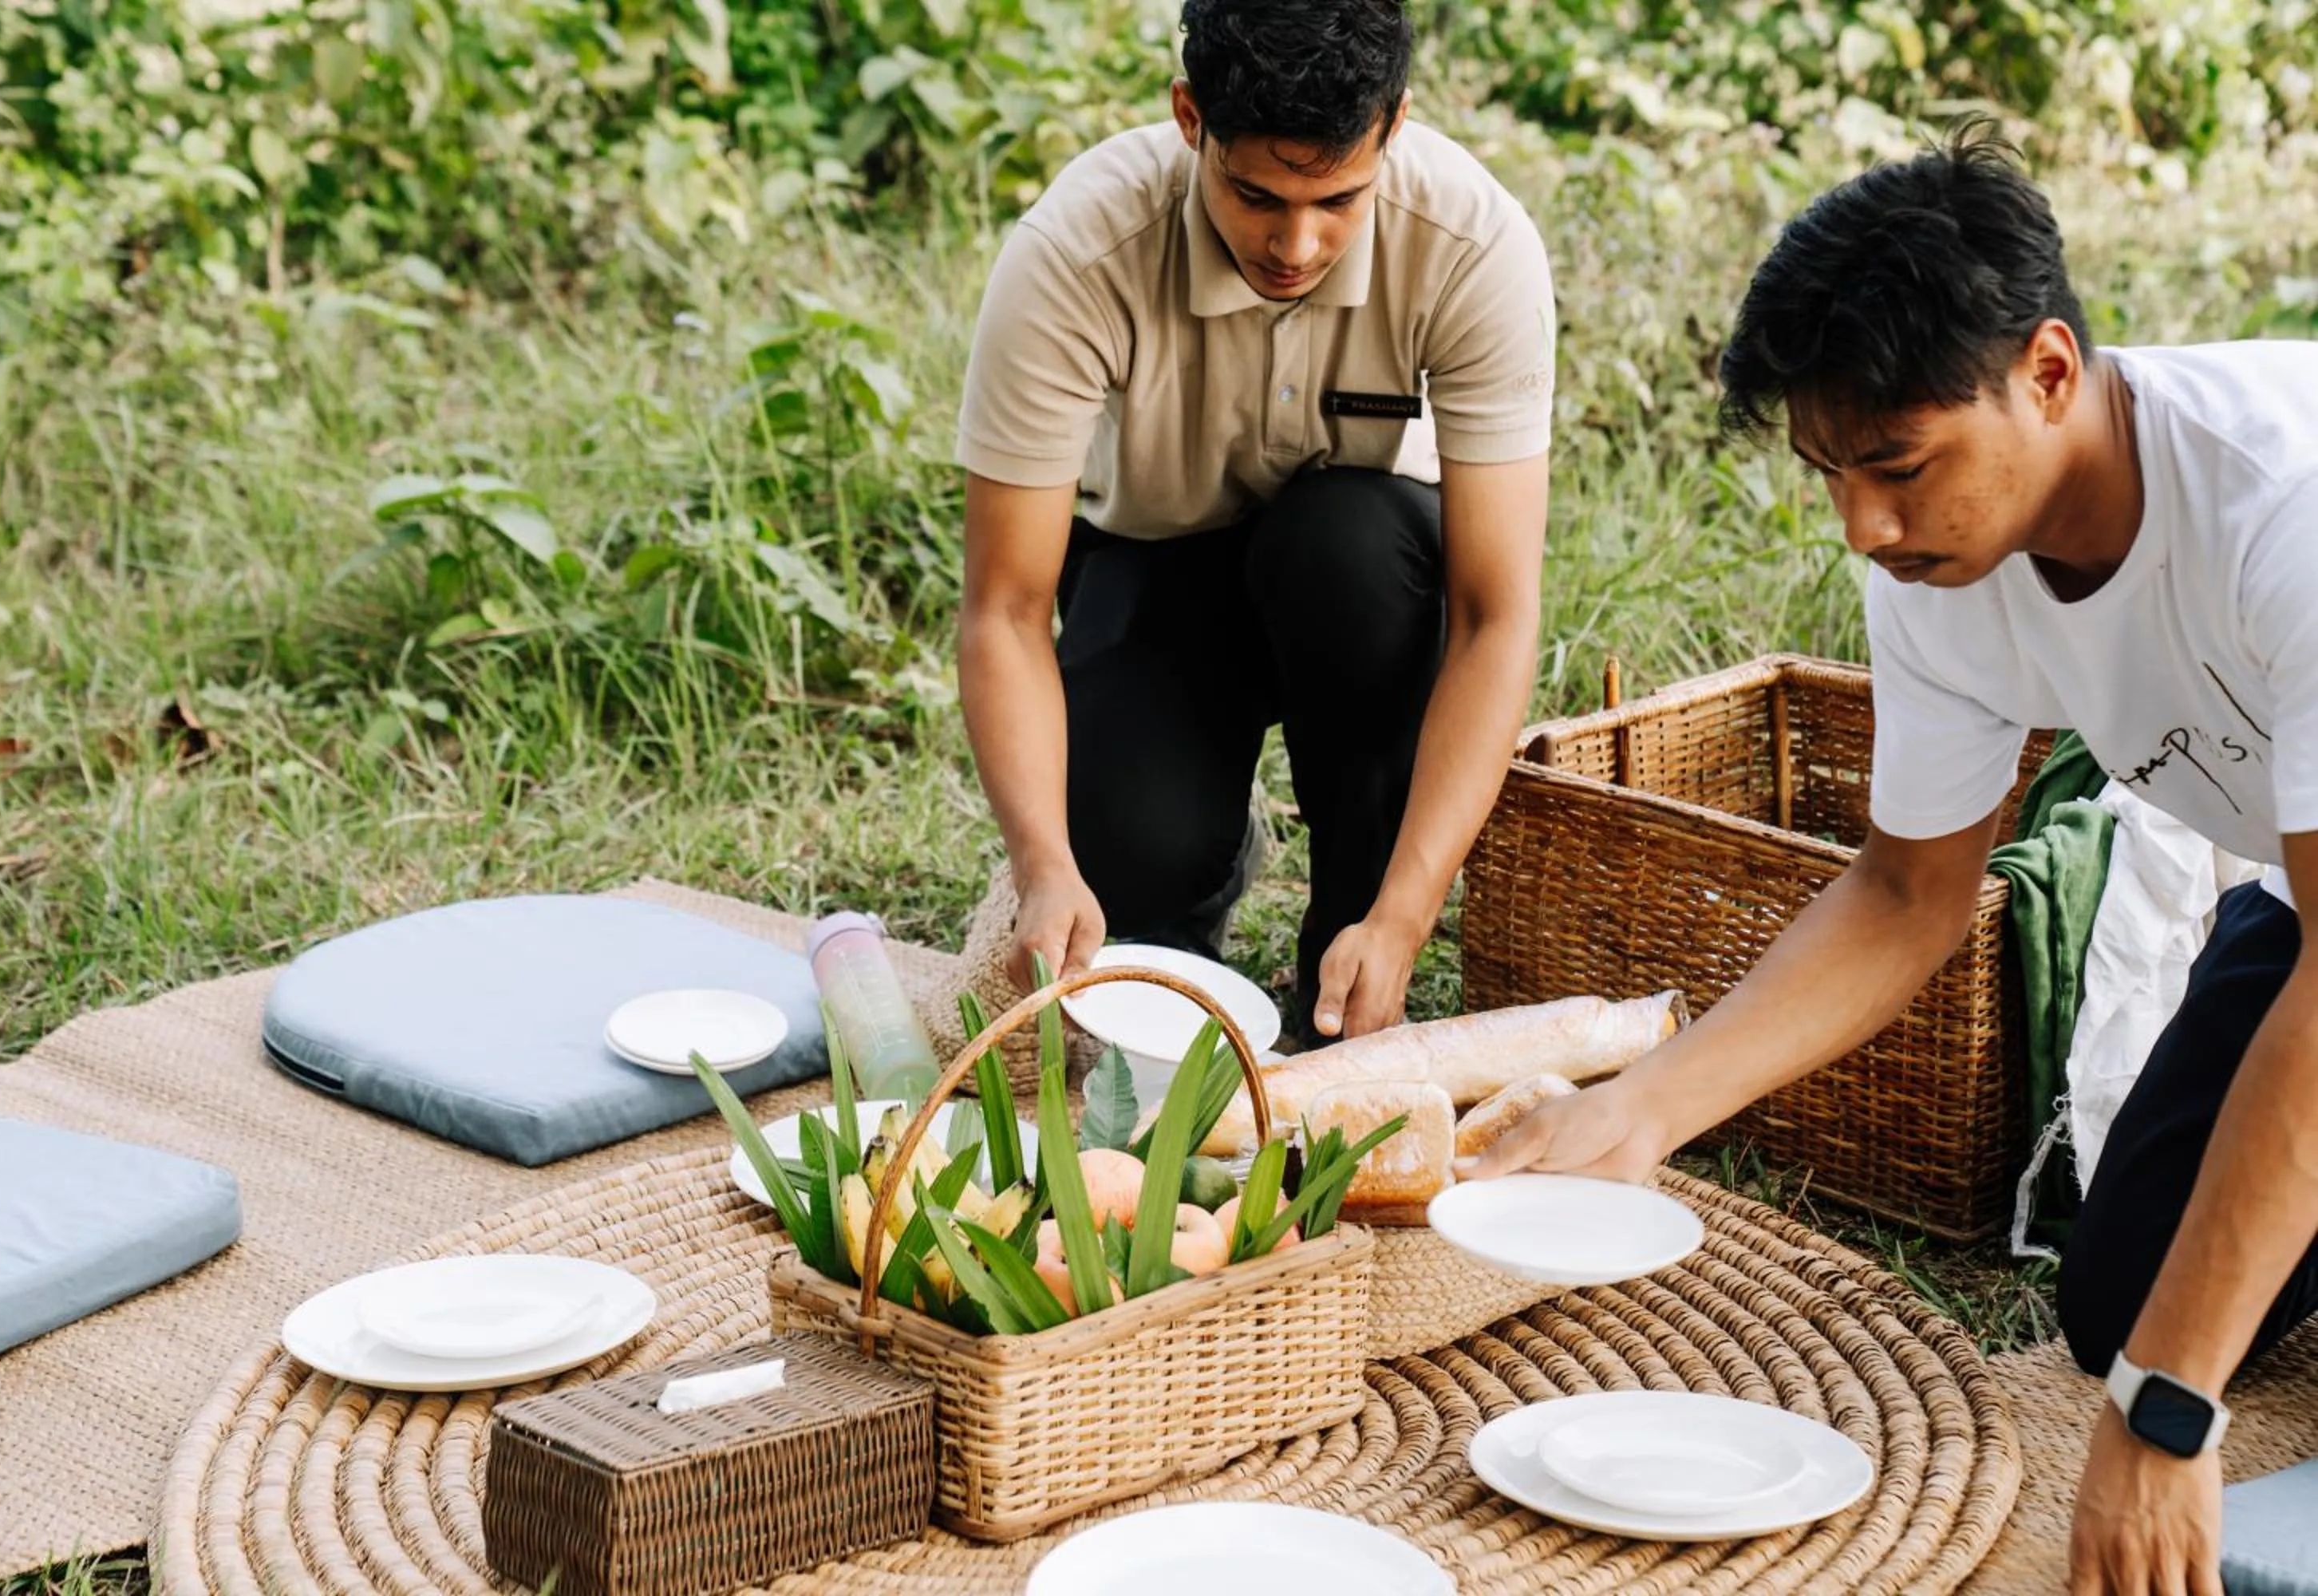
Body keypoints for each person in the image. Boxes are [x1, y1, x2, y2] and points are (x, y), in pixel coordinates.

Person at [1461, 118, 2318, 1593]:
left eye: (1899, 466)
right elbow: (1907, 892)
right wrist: (1646, 1107)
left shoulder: (2279, 504)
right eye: (1830, 473)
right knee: (2127, 1307)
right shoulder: (1939, 564)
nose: (1864, 525)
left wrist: (2171, 1414)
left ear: (2048, 373)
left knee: (2171, 1355)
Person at [953, 0, 1556, 1048]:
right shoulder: (1076, 250)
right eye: (1256, 196)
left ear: (1394, 126)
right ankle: (1201, 859)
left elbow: (1493, 616)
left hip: (1364, 581)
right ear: (1191, 119)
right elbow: (1004, 608)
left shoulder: (1474, 244)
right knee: (1130, 864)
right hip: (1157, 566)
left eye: (1340, 200)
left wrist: (1403, 915)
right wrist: (1044, 865)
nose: (1296, 244)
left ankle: (1349, 936)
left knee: (1344, 547)